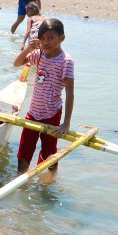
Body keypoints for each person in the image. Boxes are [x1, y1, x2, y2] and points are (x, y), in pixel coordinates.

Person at [13, 18, 74, 172]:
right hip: (33, 111)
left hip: (51, 113)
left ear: (62, 38)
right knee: (25, 149)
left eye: (51, 38)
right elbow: (17, 63)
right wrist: (28, 49)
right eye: (43, 38)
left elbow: (70, 93)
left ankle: (49, 181)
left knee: (49, 152)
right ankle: (21, 179)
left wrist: (66, 123)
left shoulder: (66, 61)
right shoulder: (39, 54)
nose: (46, 42)